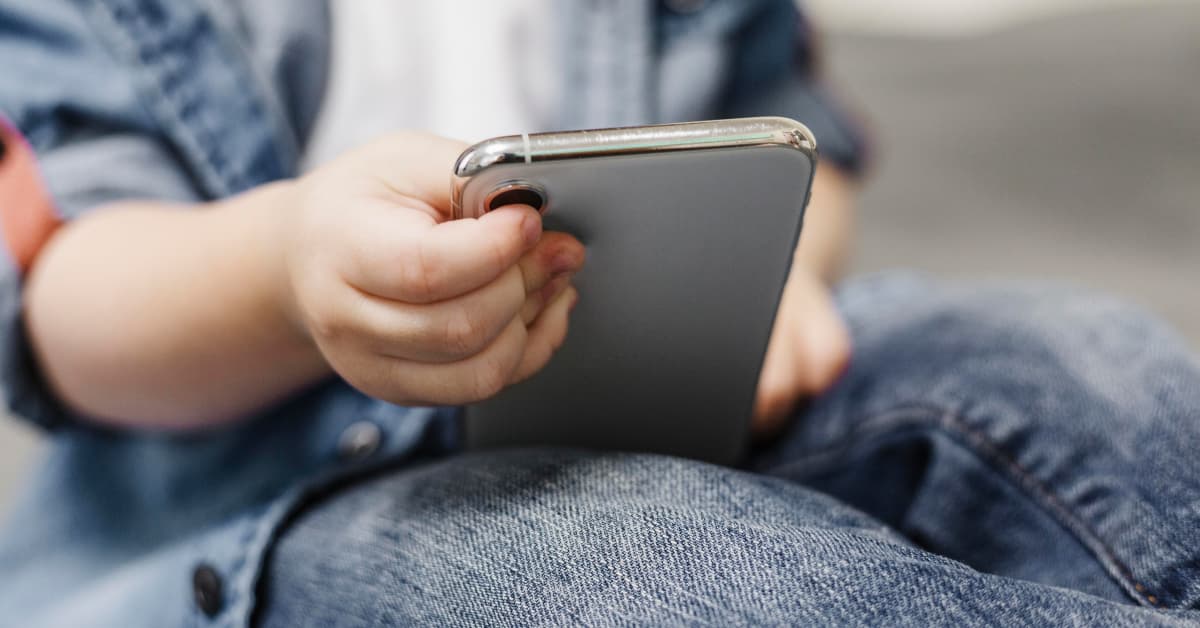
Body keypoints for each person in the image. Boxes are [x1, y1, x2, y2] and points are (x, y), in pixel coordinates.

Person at [0, 1, 1197, 625]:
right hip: (256, 506)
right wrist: (285, 271)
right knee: (660, 564)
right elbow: (62, 310)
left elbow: (799, 145)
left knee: (1079, 365)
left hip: (665, 390)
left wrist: (786, 270)